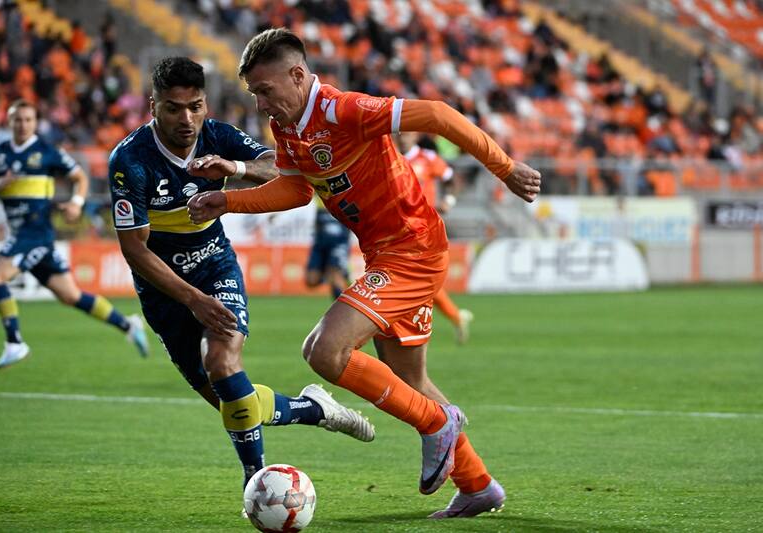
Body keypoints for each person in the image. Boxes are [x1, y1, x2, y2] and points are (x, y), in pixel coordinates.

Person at [188, 29, 541, 518]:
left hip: (412, 249)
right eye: (254, 94)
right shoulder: (288, 128)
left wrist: (504, 168)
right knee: (407, 380)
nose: (262, 104)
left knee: (324, 350)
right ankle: (478, 485)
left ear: (297, 75)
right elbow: (295, 192)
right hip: (385, 254)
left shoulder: (343, 109)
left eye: (265, 90)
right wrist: (226, 199)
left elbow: (437, 114)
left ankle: (438, 424)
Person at [108, 57, 373, 489]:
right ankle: (315, 409)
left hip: (215, 265)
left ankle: (257, 483)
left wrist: (237, 169)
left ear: (205, 103)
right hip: (164, 293)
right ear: (152, 105)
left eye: (195, 106)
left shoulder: (218, 136)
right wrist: (191, 299)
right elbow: (134, 250)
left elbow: (280, 166)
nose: (187, 119)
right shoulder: (130, 160)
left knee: (222, 361)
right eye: (174, 108)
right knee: (232, 402)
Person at [0, 99, 149, 369]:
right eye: (17, 120)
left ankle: (15, 342)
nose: (22, 125)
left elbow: (80, 177)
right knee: (71, 296)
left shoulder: (46, 151)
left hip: (35, 234)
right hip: (22, 232)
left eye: (28, 120)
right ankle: (127, 324)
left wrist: (76, 204)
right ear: (9, 122)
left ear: (35, 122)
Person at [396, 131, 474, 344]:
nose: (403, 137)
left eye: (408, 134)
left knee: (415, 279)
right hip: (395, 228)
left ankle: (400, 330)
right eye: (400, 133)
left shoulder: (427, 158)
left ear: (415, 137)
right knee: (421, 282)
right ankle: (456, 317)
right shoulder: (389, 156)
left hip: (423, 229)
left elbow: (450, 179)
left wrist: (448, 200)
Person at [305, 195, 351, 299]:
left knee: (335, 276)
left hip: (338, 243)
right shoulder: (319, 193)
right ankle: (340, 274)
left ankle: (342, 309)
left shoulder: (346, 197)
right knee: (311, 280)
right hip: (320, 242)